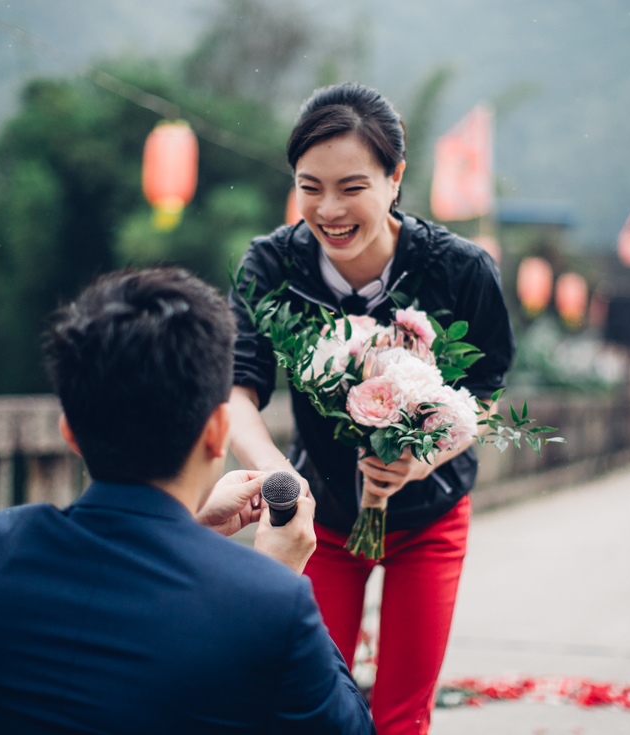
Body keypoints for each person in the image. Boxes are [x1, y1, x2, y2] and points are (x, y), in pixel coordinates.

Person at [0, 268, 374, 735]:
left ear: (70, 431)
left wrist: (189, 526)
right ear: (217, 433)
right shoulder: (268, 599)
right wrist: (277, 574)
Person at [229, 83, 515, 735]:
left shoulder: (461, 270)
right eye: (310, 186)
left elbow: (488, 391)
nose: (328, 210)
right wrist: (281, 477)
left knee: (400, 716)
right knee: (306, 703)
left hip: (430, 511)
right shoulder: (272, 265)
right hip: (322, 513)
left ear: (395, 179)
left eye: (351, 186)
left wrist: (423, 457)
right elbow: (239, 392)